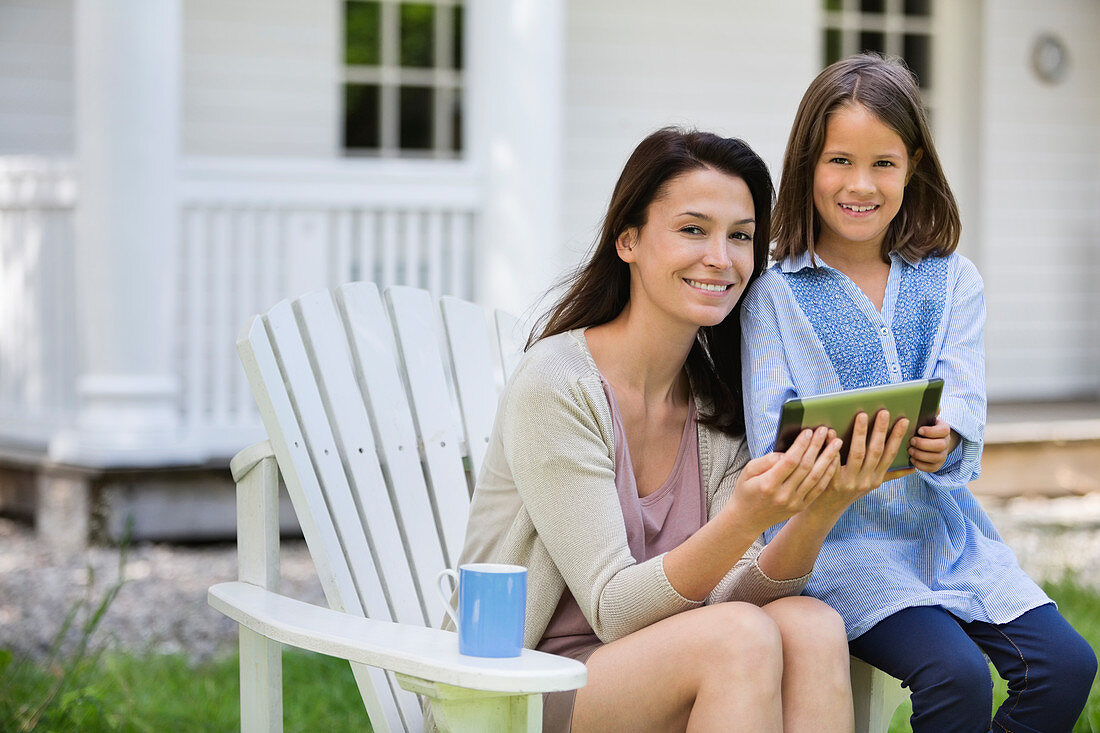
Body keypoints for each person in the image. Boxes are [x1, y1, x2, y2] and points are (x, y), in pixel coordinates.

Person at [448, 127, 904, 733]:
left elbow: (738, 587)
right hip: (527, 686)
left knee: (810, 624)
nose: (721, 257)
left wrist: (821, 509)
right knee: (737, 639)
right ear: (629, 241)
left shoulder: (715, 403)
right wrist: (743, 516)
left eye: (741, 237)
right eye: (693, 229)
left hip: (674, 660)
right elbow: (612, 609)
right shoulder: (558, 384)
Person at [741, 53, 1097, 733]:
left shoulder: (952, 280)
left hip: (946, 534)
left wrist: (948, 435)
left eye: (884, 163)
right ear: (807, 165)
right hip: (837, 547)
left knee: (1067, 667)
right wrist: (824, 459)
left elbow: (963, 394)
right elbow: (771, 433)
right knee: (955, 676)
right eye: (839, 160)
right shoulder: (776, 294)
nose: (860, 184)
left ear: (913, 169)